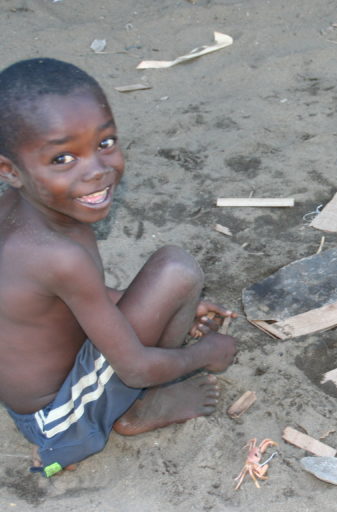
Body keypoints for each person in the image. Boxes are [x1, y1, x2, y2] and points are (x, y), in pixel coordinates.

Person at [0, 58, 238, 476]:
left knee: (173, 278)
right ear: (9, 171)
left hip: (65, 372)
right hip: (59, 419)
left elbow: (67, 301)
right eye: (63, 158)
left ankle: (124, 400)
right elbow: (136, 367)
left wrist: (143, 302)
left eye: (105, 142)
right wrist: (205, 354)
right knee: (178, 271)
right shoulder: (57, 255)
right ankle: (133, 411)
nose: (96, 170)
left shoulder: (29, 212)